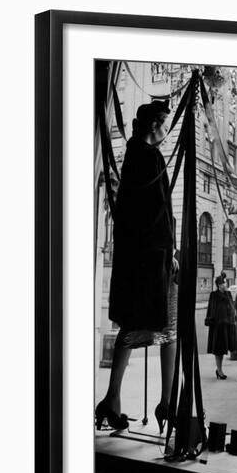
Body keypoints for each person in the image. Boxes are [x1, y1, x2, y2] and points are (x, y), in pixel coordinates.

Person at [96, 100, 179, 435]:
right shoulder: (150, 156)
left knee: (131, 328)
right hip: (152, 260)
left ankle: (111, 399)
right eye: (163, 125)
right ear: (154, 125)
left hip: (135, 260)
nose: (165, 133)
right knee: (168, 328)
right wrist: (170, 250)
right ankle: (166, 403)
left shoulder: (132, 156)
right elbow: (159, 212)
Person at [205, 273, 236, 379]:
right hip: (217, 326)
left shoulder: (228, 294)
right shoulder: (213, 295)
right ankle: (219, 370)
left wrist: (232, 322)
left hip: (226, 326)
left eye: (225, 283)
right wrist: (210, 320)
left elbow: (232, 309)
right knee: (218, 350)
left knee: (222, 350)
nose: (225, 284)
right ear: (219, 285)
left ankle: (219, 370)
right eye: (224, 283)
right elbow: (211, 309)